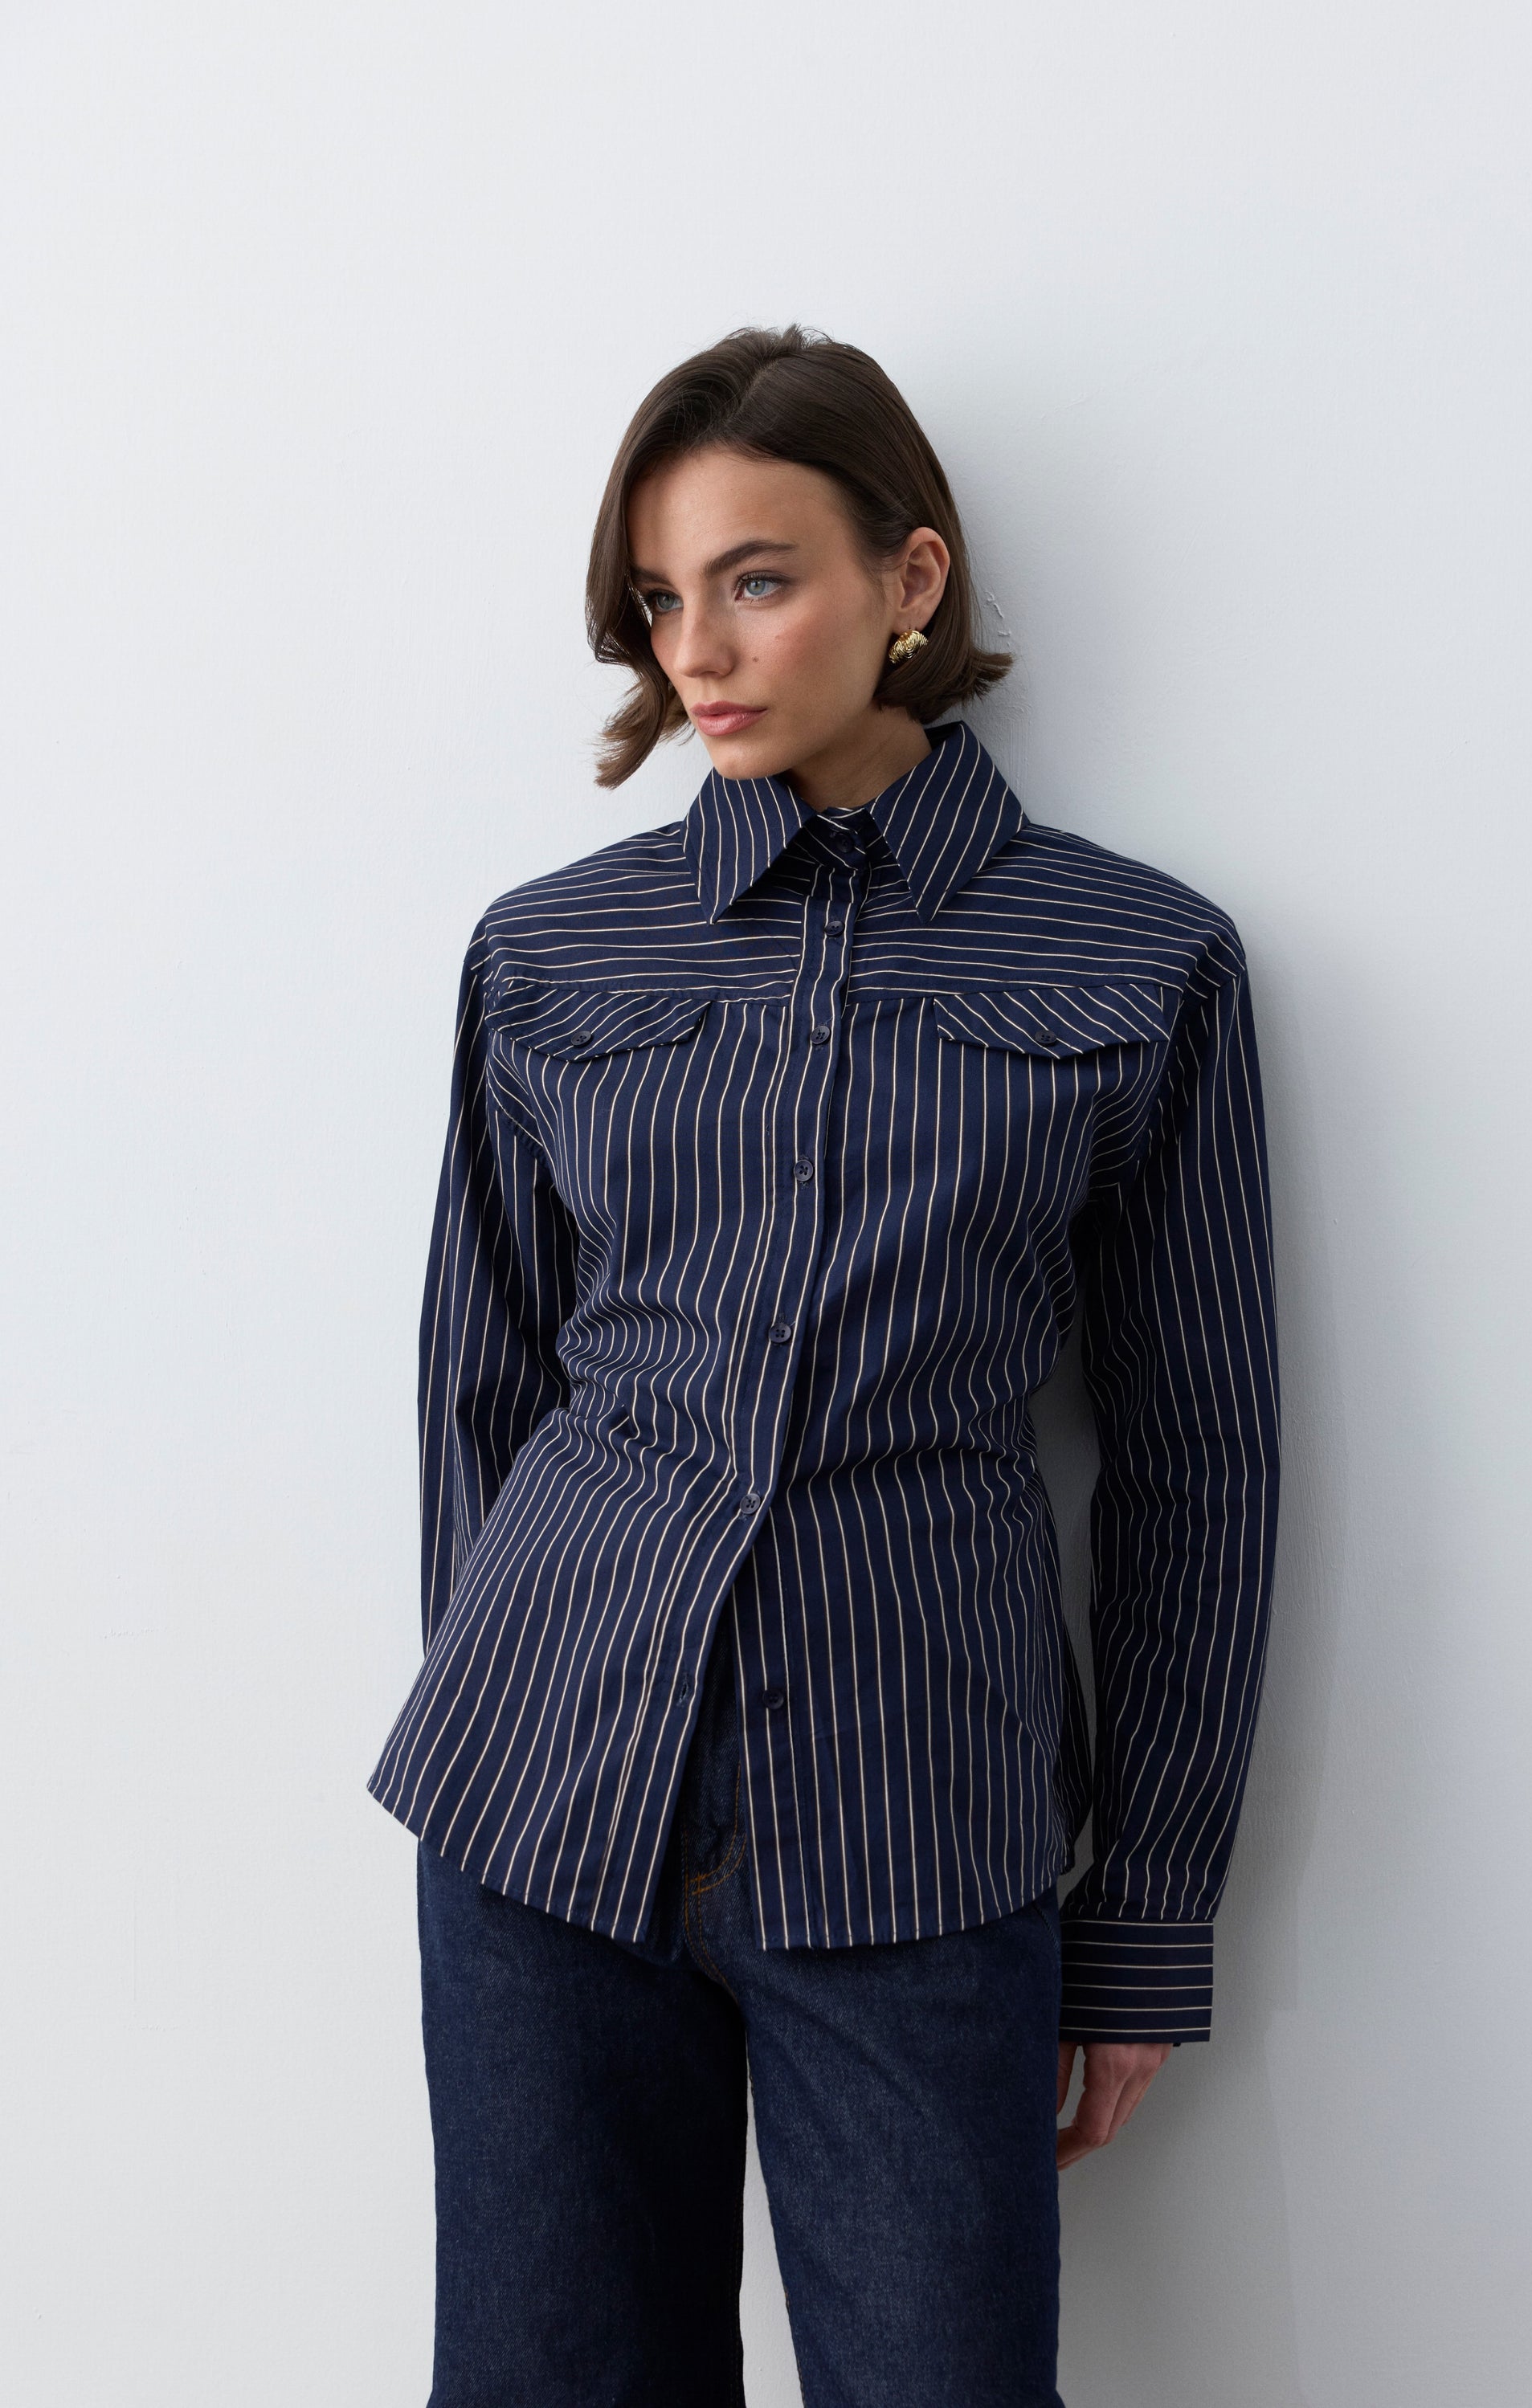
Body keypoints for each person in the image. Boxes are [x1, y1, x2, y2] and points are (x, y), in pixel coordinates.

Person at [367, 324, 1281, 2408]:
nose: (698, 650)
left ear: (911, 578)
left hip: (914, 1831)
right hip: (539, 1823)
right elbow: (477, 1393)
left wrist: (1146, 1918)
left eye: (758, 580)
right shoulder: (550, 953)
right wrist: (520, 1724)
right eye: (659, 597)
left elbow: (1198, 1464)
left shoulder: (1139, 961)